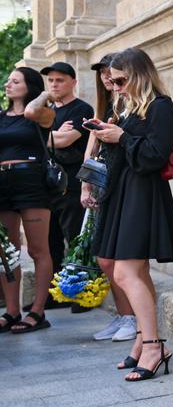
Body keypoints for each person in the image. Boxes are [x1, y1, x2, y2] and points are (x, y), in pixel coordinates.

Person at [90, 48, 173, 381]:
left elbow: (155, 155)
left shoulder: (162, 108)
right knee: (135, 272)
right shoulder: (132, 108)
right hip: (126, 193)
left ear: (140, 75)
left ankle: (154, 345)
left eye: (120, 80)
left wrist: (122, 136)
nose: (115, 87)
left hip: (143, 194)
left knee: (125, 274)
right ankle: (146, 342)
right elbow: (131, 149)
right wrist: (109, 134)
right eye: (111, 81)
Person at [81, 54, 137, 343]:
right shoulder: (107, 105)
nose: (106, 78)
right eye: (103, 73)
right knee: (106, 259)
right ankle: (124, 316)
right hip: (105, 182)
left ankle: (132, 318)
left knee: (124, 261)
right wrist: (85, 186)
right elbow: (93, 148)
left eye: (110, 73)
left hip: (124, 185)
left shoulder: (132, 103)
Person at [0, 67, 56, 333]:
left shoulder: (40, 113)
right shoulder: (1, 117)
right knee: (7, 252)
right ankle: (12, 311)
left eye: (15, 81)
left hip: (31, 181)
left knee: (36, 249)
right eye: (8, 80)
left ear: (30, 86)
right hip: (2, 183)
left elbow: (32, 111)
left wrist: (44, 93)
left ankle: (37, 311)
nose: (8, 84)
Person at [40, 61, 94, 315]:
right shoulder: (46, 110)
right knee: (50, 242)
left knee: (74, 238)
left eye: (59, 80)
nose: (54, 84)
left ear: (74, 82)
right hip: (47, 186)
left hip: (70, 184)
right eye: (50, 80)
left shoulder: (82, 108)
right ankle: (54, 295)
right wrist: (52, 135)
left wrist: (44, 135)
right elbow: (52, 139)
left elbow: (66, 139)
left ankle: (81, 295)